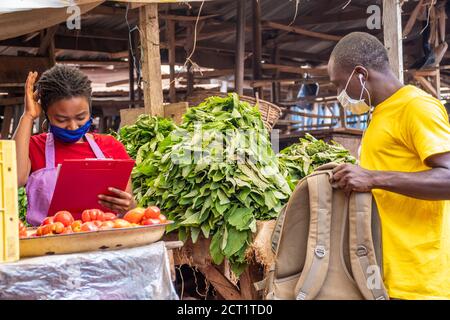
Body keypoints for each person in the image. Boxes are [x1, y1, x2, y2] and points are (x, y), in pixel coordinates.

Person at [328, 32, 450, 300]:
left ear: (360, 74)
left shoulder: (416, 107)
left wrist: (373, 178)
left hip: (419, 282)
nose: (339, 94)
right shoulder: (381, 112)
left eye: (339, 84)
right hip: (385, 275)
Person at [13, 65, 136, 226]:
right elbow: (15, 178)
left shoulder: (111, 147)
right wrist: (28, 115)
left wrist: (130, 205)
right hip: (50, 242)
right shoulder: (35, 146)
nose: (73, 126)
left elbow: (128, 209)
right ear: (47, 114)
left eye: (81, 117)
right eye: (62, 119)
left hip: (105, 243)